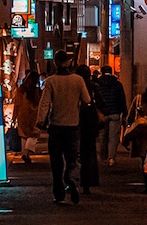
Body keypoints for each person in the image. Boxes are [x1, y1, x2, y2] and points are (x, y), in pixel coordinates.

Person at [36, 52, 90, 205]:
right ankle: (71, 179)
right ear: (69, 62)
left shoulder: (50, 81)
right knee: (72, 159)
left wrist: (40, 120)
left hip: (56, 127)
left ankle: (59, 193)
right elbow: (87, 99)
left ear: (55, 63)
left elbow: (44, 103)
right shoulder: (78, 80)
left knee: (56, 161)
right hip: (73, 126)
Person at [75, 64, 102, 193]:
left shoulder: (74, 85)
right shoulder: (93, 86)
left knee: (74, 151)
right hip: (91, 121)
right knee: (90, 152)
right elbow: (102, 102)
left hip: (75, 120)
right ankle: (89, 182)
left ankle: (73, 180)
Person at [95, 65, 128, 165]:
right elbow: (122, 99)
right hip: (115, 113)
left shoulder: (98, 84)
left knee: (103, 136)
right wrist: (124, 111)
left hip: (102, 114)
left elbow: (96, 99)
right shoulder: (117, 84)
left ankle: (103, 157)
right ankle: (111, 158)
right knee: (113, 137)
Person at [12, 70, 42, 163]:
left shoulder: (21, 89)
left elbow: (16, 103)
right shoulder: (36, 91)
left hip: (22, 114)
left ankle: (26, 155)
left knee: (24, 135)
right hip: (34, 115)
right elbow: (40, 103)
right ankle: (26, 152)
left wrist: (14, 117)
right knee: (34, 134)